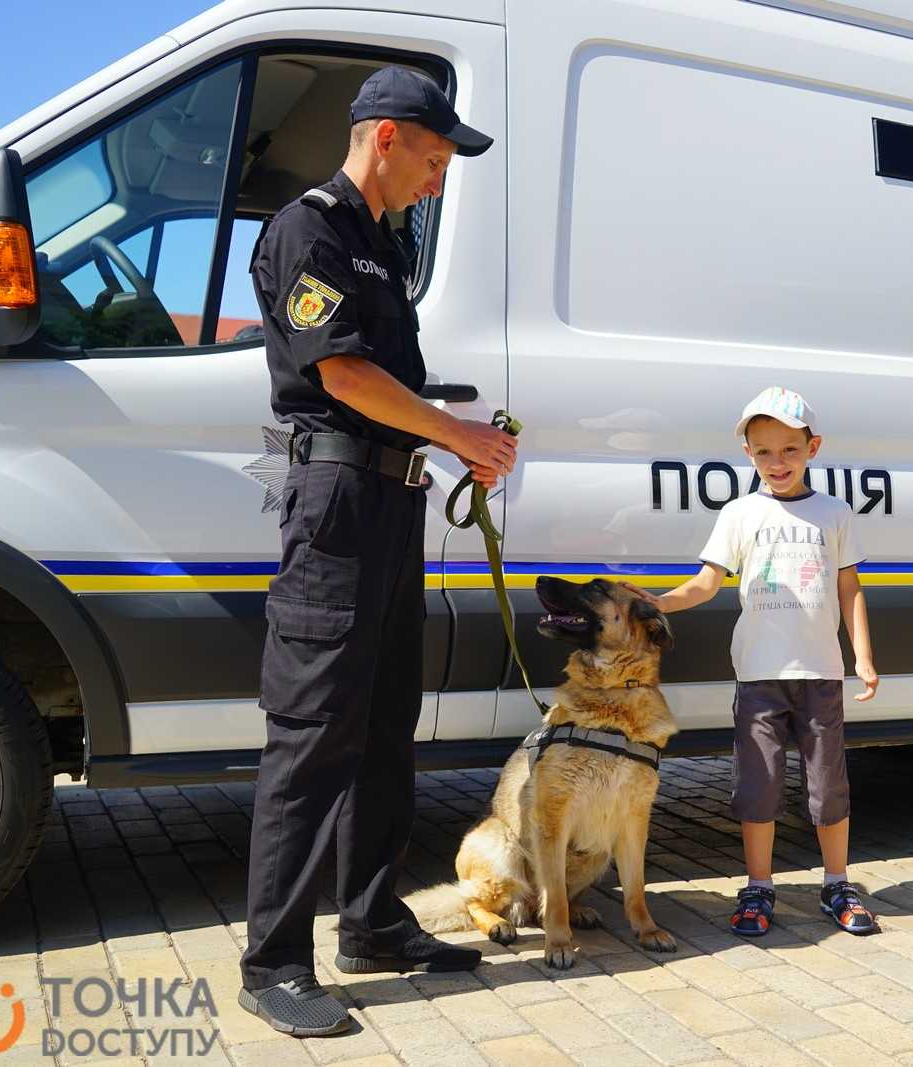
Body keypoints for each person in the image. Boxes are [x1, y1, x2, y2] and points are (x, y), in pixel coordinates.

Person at [239, 66, 518, 1037]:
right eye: (436, 160)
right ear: (390, 137)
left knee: (385, 728)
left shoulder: (379, 243)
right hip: (338, 508)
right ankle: (272, 959)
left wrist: (453, 431)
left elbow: (390, 378)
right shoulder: (308, 229)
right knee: (315, 735)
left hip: (392, 508)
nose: (438, 181)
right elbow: (344, 373)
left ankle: (370, 923)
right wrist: (457, 434)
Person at [638, 387, 882, 937]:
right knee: (758, 786)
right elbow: (706, 583)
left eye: (789, 450)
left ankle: (837, 883)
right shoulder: (739, 513)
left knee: (829, 786)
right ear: (749, 453)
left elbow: (850, 587)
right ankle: (758, 887)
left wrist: (862, 656)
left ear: (812, 448)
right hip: (759, 677)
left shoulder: (834, 514)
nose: (777, 462)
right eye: (764, 451)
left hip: (820, 673)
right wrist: (660, 602)